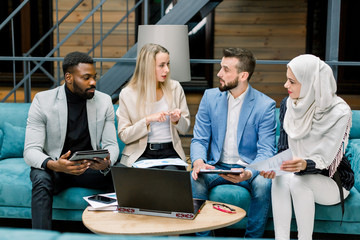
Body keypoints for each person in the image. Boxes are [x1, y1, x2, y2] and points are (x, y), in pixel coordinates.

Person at [260, 54, 354, 240]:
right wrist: (275, 167)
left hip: (332, 180)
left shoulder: (339, 111)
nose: (286, 86)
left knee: (297, 181)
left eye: (292, 81)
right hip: (298, 173)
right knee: (280, 178)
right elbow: (284, 150)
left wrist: (304, 164)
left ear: (311, 82)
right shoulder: (288, 104)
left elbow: (326, 160)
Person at [24, 51, 119, 230]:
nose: (93, 82)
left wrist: (105, 164)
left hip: (89, 167)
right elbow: (30, 151)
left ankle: (119, 232)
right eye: (86, 77)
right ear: (69, 77)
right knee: (40, 179)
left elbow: (111, 145)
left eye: (94, 77)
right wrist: (54, 165)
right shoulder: (42, 101)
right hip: (56, 168)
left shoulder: (104, 101)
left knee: (122, 175)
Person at [191, 48, 276, 238]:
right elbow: (200, 139)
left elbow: (266, 150)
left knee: (264, 184)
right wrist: (198, 161)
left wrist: (248, 173)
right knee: (195, 177)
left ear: (243, 75)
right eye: (220, 68)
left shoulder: (265, 105)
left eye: (226, 69)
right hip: (216, 166)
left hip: (249, 168)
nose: (219, 74)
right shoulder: (209, 97)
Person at [116, 43, 190, 170]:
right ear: (147, 68)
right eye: (161, 65)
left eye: (168, 64)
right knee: (150, 180)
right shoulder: (128, 93)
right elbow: (124, 136)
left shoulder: (175, 87)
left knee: (170, 177)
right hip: (141, 153)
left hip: (171, 152)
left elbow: (185, 128)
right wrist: (147, 120)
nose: (167, 69)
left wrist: (177, 120)